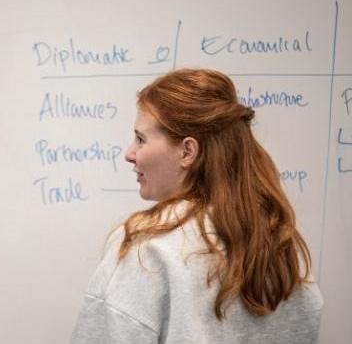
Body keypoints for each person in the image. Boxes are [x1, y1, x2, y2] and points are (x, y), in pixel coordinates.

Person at [71, 68, 323, 343]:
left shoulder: (147, 248)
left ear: (188, 151)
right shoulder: (280, 243)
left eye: (141, 139)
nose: (130, 154)